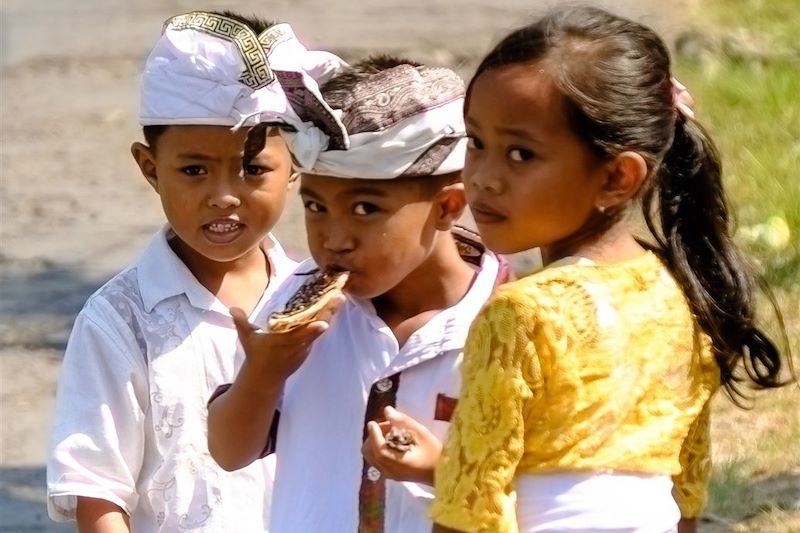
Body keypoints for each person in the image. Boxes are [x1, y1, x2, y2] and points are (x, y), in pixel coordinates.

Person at [419, 6, 790, 533]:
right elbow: (686, 489)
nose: (484, 179)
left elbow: (473, 506)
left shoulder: (522, 314)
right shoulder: (680, 289)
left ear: (617, 176)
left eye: (521, 154)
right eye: (477, 143)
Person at [46, 10, 345, 532]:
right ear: (149, 168)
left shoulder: (323, 301)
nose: (224, 196)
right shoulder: (120, 320)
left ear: (296, 167)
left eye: (253, 169)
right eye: (194, 170)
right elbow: (97, 494)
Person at [207, 55, 509, 533]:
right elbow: (228, 451)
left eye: (365, 208)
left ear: (448, 206)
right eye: (316, 206)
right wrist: (262, 375)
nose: (334, 238)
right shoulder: (298, 303)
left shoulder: (511, 323)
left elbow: (545, 493)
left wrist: (442, 472)